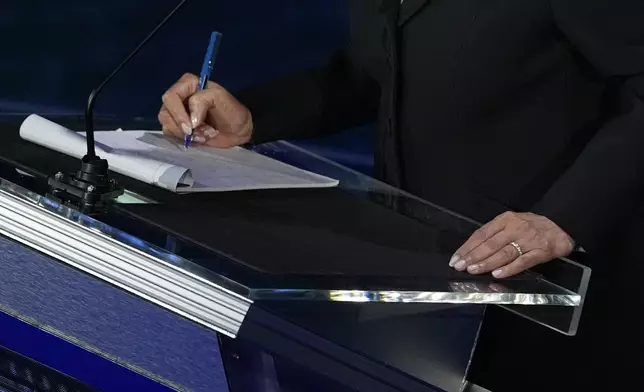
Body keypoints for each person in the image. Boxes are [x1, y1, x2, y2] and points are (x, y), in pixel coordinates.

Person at [159, 0, 644, 390]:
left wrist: (561, 219)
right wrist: (253, 117)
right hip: (424, 275)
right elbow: (374, 73)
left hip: (549, 293)